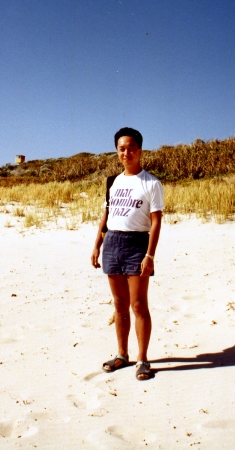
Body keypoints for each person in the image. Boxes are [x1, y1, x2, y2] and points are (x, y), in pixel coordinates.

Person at [91, 127, 164, 380]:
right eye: (121, 149)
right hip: (112, 242)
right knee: (120, 304)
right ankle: (122, 355)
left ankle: (142, 359)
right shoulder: (113, 182)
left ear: (140, 150)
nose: (126, 153)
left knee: (138, 304)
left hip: (137, 244)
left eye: (131, 148)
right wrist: (97, 245)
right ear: (116, 151)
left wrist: (150, 256)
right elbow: (106, 216)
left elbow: (156, 221)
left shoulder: (151, 183)